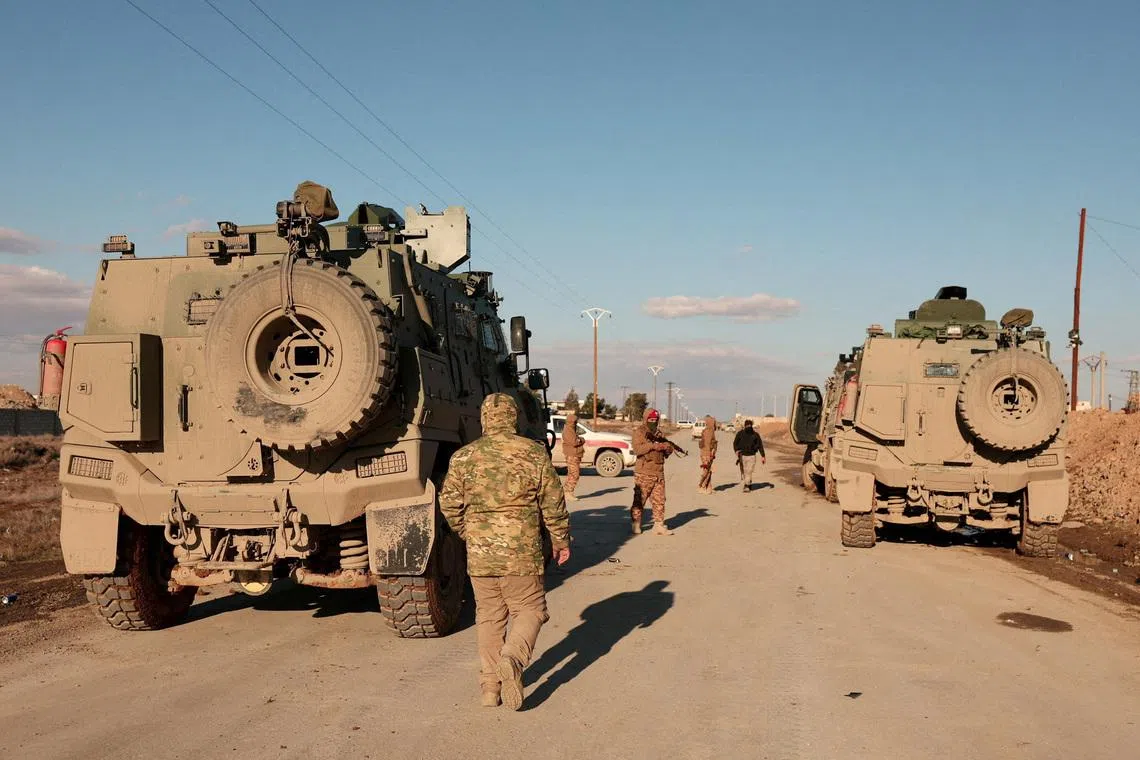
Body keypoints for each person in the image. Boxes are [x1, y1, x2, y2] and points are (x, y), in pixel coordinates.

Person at [439, 393, 571, 710]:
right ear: (513, 418)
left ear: (485, 419)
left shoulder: (463, 457)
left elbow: (448, 503)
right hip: (522, 552)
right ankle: (513, 657)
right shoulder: (534, 453)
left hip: (481, 556)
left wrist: (469, 533)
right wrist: (560, 539)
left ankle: (489, 689)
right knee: (531, 610)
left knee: (489, 617)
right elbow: (553, 502)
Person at [631, 407, 675, 535]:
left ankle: (659, 525)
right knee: (640, 500)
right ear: (645, 419)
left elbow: (667, 452)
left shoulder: (659, 433)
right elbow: (638, 449)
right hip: (644, 472)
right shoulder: (639, 432)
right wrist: (653, 446)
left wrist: (667, 448)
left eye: (655, 420)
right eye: (650, 419)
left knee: (660, 500)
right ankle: (636, 523)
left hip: (658, 472)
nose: (653, 422)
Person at [732, 419, 766, 492]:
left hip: (752, 456)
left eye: (750, 425)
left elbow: (760, 445)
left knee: (749, 471)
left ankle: (746, 485)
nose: (748, 427)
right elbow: (735, 443)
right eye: (747, 425)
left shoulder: (755, 435)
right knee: (744, 471)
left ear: (751, 426)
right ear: (745, 426)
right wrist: (736, 451)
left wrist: (763, 456)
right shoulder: (740, 434)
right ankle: (748, 483)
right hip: (742, 456)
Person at [561, 410, 585, 500]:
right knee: (574, 474)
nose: (575, 423)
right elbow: (575, 442)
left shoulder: (571, 429)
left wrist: (579, 439)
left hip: (574, 455)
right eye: (574, 422)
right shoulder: (568, 430)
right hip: (572, 455)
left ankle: (567, 492)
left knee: (571, 474)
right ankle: (568, 492)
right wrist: (581, 440)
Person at [697, 415, 718, 493]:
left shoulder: (709, 430)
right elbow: (708, 444)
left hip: (708, 453)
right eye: (714, 422)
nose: (715, 424)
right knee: (707, 471)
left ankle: (709, 487)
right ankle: (701, 486)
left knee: (709, 471)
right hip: (707, 454)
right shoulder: (709, 431)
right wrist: (709, 454)